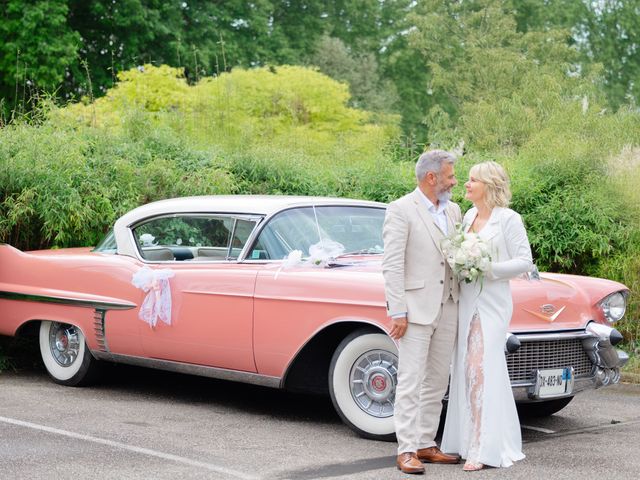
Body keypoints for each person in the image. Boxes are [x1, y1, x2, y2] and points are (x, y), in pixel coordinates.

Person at [441, 161, 533, 471]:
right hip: (467, 300)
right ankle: (466, 440)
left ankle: (483, 447)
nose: (465, 184)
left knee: (480, 367)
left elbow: (524, 261)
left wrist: (487, 268)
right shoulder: (468, 216)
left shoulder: (509, 219)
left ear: (489, 185)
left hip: (492, 303)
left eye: (472, 180)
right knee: (467, 369)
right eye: (466, 179)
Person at [382, 149, 462, 474]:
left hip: (450, 304)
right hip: (414, 310)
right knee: (410, 380)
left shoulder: (454, 210)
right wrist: (397, 310)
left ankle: (427, 443)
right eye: (450, 176)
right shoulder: (401, 209)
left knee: (438, 380)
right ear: (432, 178)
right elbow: (392, 264)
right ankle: (406, 449)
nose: (455, 181)